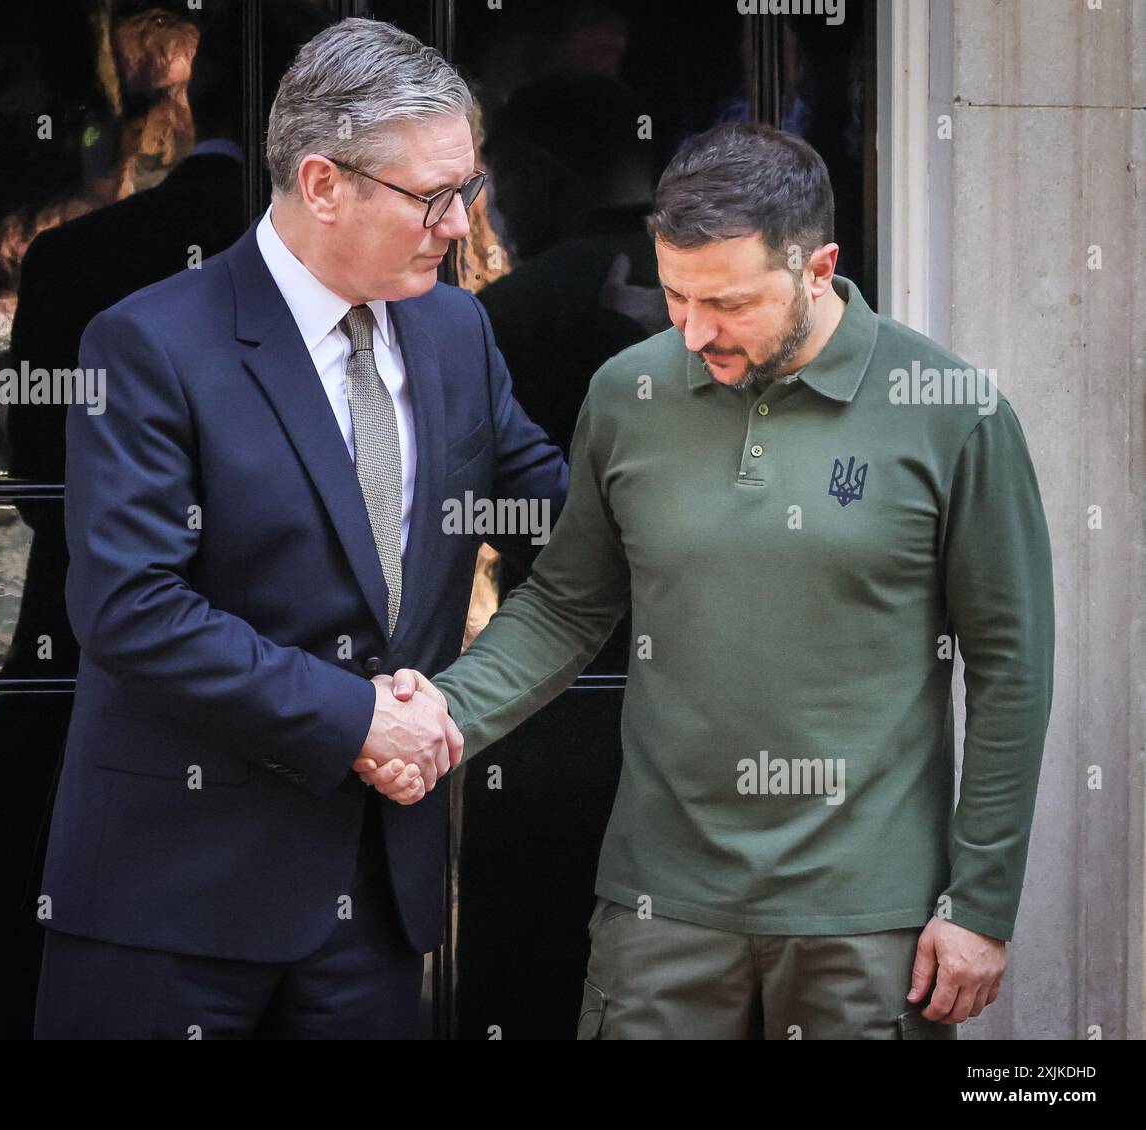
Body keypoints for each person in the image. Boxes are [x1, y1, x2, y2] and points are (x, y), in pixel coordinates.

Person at [366, 122, 1055, 1040]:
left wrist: (981, 901)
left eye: (727, 304)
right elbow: (568, 607)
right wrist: (440, 718)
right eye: (677, 295)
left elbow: (1012, 667)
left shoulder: (953, 415)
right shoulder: (629, 394)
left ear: (818, 270)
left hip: (868, 916)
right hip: (661, 911)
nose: (692, 331)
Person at [33, 17, 566, 1040]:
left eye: (469, 189)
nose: (460, 224)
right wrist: (358, 718)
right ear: (322, 183)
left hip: (373, 899)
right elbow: (130, 607)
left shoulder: (458, 330)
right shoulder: (148, 343)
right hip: (172, 895)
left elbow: (552, 507)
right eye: (432, 196)